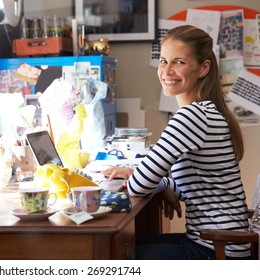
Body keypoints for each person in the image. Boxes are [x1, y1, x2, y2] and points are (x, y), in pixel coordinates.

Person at [102, 25, 249, 259]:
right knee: (125, 246)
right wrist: (159, 183)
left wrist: (138, 177)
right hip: (218, 244)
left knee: (114, 255)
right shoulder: (206, 112)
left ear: (203, 68)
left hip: (217, 250)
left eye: (179, 62)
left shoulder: (192, 116)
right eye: (163, 61)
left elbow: (139, 186)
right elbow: (193, 187)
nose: (167, 71)